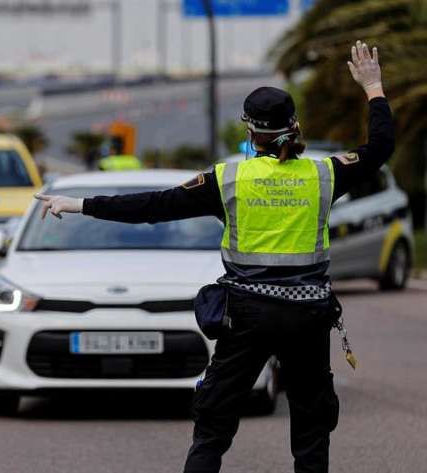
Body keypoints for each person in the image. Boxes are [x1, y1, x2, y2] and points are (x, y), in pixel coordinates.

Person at [35, 40, 393, 473]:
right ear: (294, 126)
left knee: (213, 427)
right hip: (307, 317)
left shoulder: (227, 180)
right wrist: (373, 87)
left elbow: (154, 206)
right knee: (311, 429)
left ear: (250, 132)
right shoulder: (324, 174)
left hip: (247, 317)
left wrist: (80, 205)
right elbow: (380, 148)